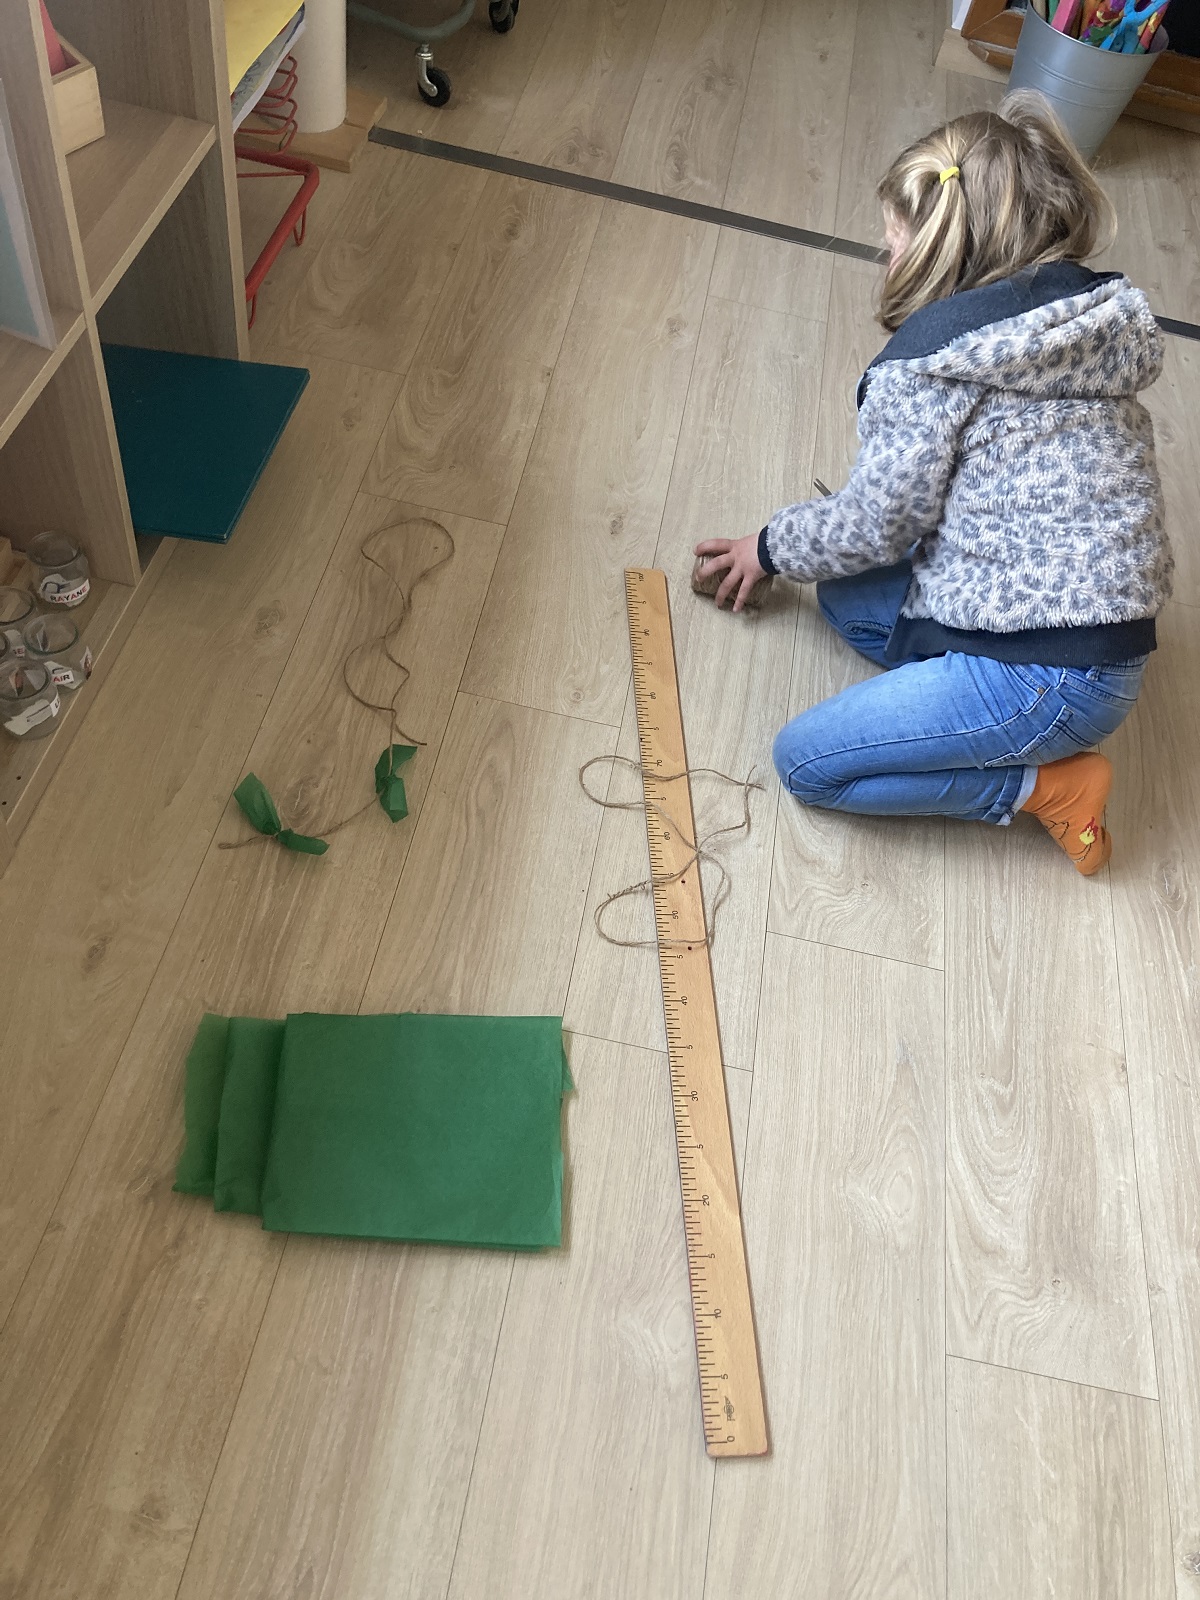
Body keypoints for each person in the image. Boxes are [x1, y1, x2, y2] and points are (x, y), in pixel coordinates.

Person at [694, 92, 1171, 875]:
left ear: (934, 263)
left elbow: (873, 524)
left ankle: (1046, 785)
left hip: (1052, 674)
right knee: (846, 598)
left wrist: (767, 547)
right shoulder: (1071, 321)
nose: (885, 264)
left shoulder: (930, 370)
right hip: (1089, 633)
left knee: (807, 764)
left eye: (892, 251)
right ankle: (965, 716)